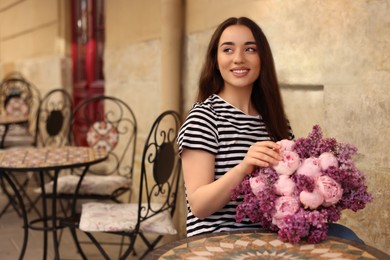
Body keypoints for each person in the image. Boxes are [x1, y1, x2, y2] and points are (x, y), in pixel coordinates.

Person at [177, 16, 363, 243]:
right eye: (227, 50)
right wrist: (244, 167)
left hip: (274, 236)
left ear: (262, 58)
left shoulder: (276, 121)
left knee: (348, 239)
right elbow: (199, 206)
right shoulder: (204, 117)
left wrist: (315, 191)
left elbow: (289, 189)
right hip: (220, 240)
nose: (238, 58)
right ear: (215, 60)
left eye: (250, 49)